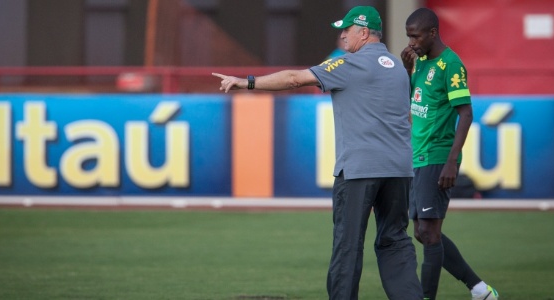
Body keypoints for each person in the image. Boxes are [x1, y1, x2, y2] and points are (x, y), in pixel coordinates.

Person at [213, 6, 422, 300]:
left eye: (346, 30)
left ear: (363, 32)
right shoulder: (399, 67)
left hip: (360, 170)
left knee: (348, 246)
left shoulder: (350, 64)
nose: (342, 35)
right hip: (399, 169)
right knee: (395, 242)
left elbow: (295, 79)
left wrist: (247, 82)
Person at [400, 7, 499, 300]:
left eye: (415, 36)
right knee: (421, 232)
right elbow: (413, 102)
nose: (411, 43)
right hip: (419, 155)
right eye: (408, 37)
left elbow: (465, 113)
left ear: (432, 33)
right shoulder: (420, 63)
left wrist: (451, 161)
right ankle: (479, 289)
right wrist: (407, 70)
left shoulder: (451, 64)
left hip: (437, 155)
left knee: (429, 233)